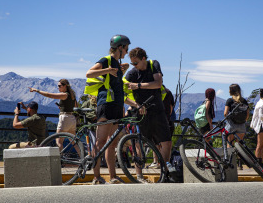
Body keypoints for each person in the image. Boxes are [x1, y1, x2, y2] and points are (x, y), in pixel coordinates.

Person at [85, 35, 143, 184]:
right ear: (120, 47)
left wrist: (136, 104)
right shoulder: (106, 60)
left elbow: (119, 91)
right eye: (126, 48)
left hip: (117, 107)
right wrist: (107, 70)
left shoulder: (117, 63)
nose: (127, 52)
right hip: (106, 105)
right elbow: (89, 73)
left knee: (112, 143)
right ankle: (96, 177)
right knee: (100, 142)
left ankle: (112, 177)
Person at [125, 47, 172, 170]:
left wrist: (138, 85)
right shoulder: (132, 73)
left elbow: (158, 83)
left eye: (136, 63)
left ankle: (165, 169)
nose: (134, 66)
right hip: (142, 111)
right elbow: (121, 93)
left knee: (166, 141)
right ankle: (139, 174)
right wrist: (135, 105)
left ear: (144, 58)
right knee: (140, 143)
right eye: (132, 63)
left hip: (157, 109)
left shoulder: (153, 65)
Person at [29, 79, 78, 152]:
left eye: (59, 86)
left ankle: (60, 160)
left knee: (58, 141)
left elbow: (49, 95)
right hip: (72, 119)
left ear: (65, 86)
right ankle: (83, 157)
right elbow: (76, 106)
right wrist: (63, 107)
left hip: (65, 118)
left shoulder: (64, 94)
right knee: (74, 142)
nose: (58, 87)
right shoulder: (72, 95)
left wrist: (37, 90)